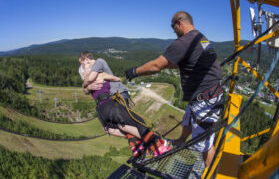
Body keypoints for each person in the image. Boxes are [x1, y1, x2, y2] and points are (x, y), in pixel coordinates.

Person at [125, 11, 225, 167]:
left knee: (205, 144)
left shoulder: (184, 42)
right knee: (187, 120)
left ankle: (211, 174)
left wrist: (135, 72)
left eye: (174, 29)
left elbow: (156, 66)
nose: (174, 33)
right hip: (208, 94)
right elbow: (184, 62)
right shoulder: (201, 38)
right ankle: (180, 141)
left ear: (179, 23)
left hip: (205, 100)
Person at [79, 51, 171, 157]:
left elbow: (86, 89)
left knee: (123, 127)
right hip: (111, 105)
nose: (91, 65)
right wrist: (117, 78)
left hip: (101, 113)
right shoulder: (99, 75)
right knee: (137, 122)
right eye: (87, 65)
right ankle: (158, 146)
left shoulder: (88, 87)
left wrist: (86, 85)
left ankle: (136, 147)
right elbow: (116, 79)